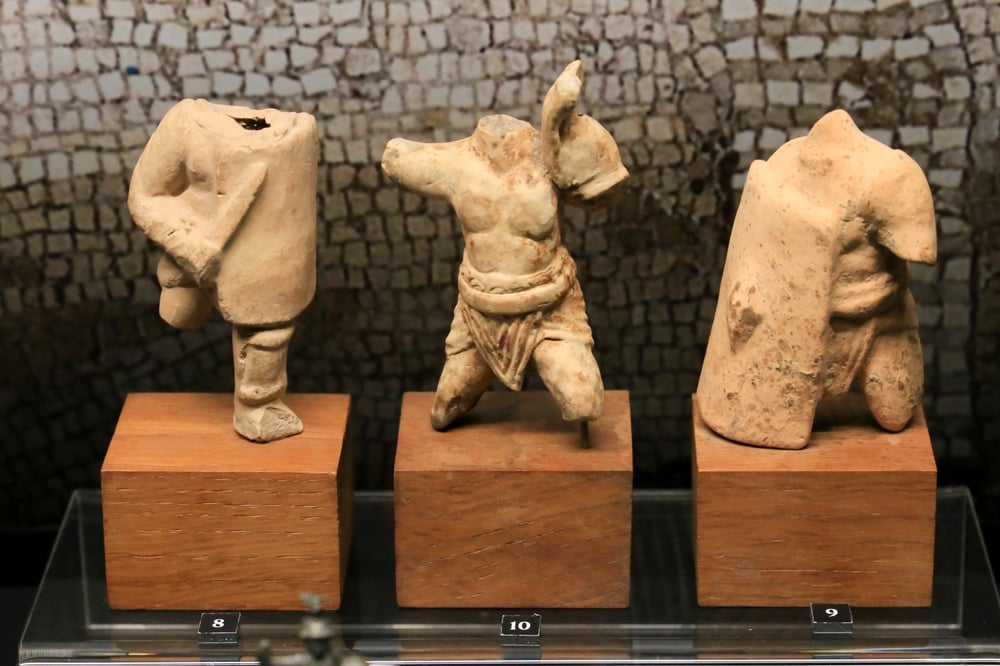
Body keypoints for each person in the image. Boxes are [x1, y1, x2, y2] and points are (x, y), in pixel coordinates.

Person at [381, 61, 628, 430]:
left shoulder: (551, 156)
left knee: (584, 401)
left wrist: (558, 125)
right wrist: (399, 155)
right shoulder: (453, 164)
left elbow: (604, 190)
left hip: (549, 309)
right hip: (479, 310)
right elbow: (395, 157)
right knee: (444, 410)